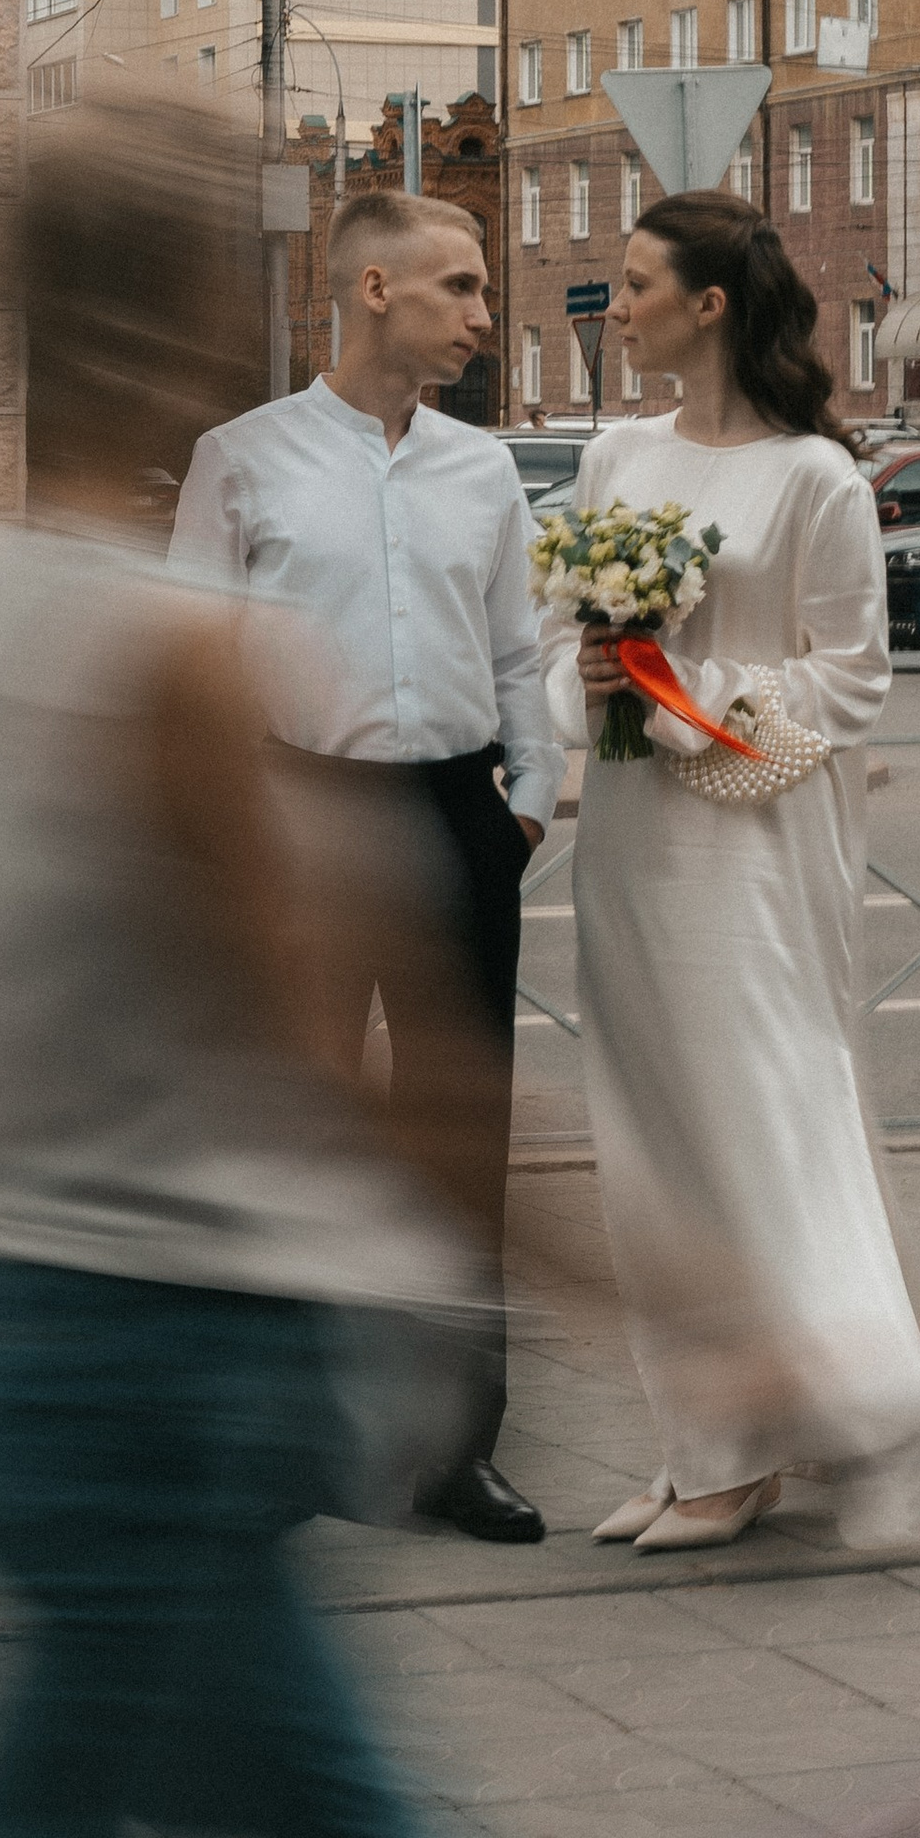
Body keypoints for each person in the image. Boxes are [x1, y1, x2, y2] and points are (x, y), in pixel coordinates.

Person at [0, 105, 500, 1838]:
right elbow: (333, 1049)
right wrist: (674, 1303)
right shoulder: (178, 656)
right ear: (180, 321)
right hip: (169, 1351)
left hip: (4, 1311)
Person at [545, 190, 920, 1555]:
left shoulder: (816, 480)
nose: (618, 310)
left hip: (756, 852)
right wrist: (598, 671)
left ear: (710, 304)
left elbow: (855, 683)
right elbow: (559, 647)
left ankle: (857, 1425)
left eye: (637, 285)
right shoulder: (612, 458)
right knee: (651, 1143)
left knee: (770, 1125)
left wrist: (684, 686)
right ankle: (705, 1448)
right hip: (629, 839)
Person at [171, 188, 561, 1548]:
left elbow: (517, 650)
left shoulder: (484, 470)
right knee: (295, 1135)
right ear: (375, 290)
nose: (482, 313)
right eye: (460, 285)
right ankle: (285, 1439)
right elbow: (194, 669)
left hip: (460, 814)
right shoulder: (243, 457)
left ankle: (460, 1452)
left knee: (464, 1143)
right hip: (299, 816)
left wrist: (530, 794)